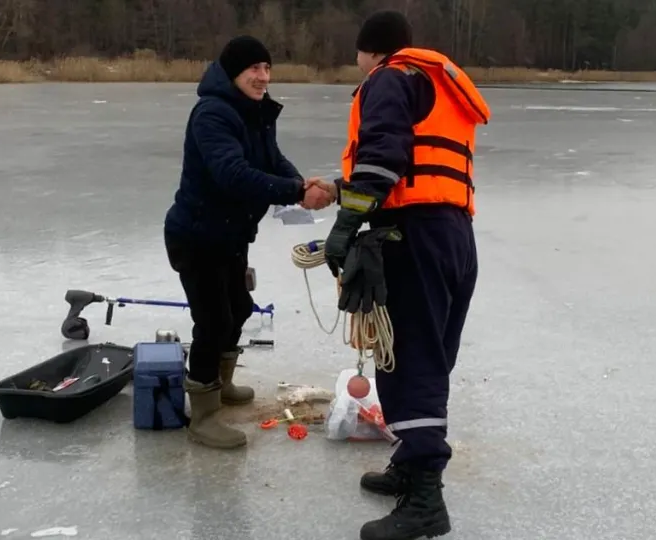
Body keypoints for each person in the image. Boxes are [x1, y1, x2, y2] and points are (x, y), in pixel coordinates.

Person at [322, 10, 492, 540]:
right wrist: (339, 187)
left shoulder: (389, 78)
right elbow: (413, 163)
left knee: (412, 361)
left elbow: (383, 157)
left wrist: (346, 224)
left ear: (370, 50)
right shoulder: (437, 83)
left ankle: (425, 501)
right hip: (452, 234)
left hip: (414, 237)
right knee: (428, 356)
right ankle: (408, 465)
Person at [164, 35, 336, 450]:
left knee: (239, 308)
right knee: (213, 322)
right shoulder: (212, 114)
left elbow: (271, 158)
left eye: (266, 68)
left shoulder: (254, 109)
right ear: (232, 73)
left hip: (230, 235)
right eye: (253, 69)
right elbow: (233, 174)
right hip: (197, 236)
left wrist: (299, 182)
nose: (263, 77)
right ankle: (203, 416)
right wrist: (297, 191)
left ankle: (221, 385)